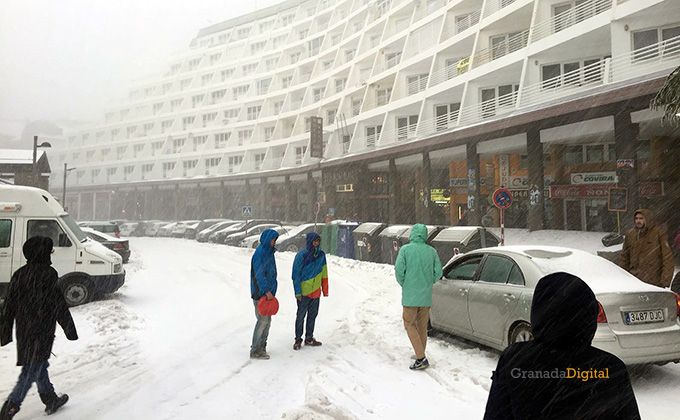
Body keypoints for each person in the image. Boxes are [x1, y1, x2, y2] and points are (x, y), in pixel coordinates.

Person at [483, 272, 640, 419]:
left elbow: (495, 415)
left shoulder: (514, 360)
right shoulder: (610, 368)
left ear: (538, 312)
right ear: (588, 316)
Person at [0, 237, 78, 420]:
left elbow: (8, 306)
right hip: (42, 331)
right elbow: (58, 304)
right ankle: (10, 407)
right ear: (43, 253)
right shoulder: (48, 274)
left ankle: (50, 399)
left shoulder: (19, 274)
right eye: (49, 251)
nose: (51, 255)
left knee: (38, 365)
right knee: (30, 371)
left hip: (25, 332)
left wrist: (5, 332)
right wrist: (69, 329)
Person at [394, 224, 443, 370]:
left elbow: (399, 270)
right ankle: (420, 352)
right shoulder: (431, 251)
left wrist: (405, 284)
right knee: (422, 327)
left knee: (409, 324)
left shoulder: (405, 250)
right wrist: (428, 282)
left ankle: (421, 358)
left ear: (413, 234)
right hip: (425, 296)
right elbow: (438, 272)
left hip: (410, 296)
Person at [291, 232, 328, 350]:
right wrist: (297, 291)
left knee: (312, 316)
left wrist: (325, 289)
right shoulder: (302, 255)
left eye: (318, 241)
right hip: (303, 292)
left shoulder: (321, 255)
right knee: (300, 316)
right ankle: (298, 339)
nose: (316, 243)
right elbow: (295, 274)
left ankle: (309, 338)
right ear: (310, 241)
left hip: (316, 292)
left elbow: (324, 273)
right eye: (314, 241)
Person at [619, 209, 674, 288]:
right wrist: (622, 275)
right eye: (636, 218)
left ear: (647, 219)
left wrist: (665, 280)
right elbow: (624, 257)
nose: (638, 221)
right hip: (634, 279)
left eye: (641, 218)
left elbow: (667, 258)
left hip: (653, 280)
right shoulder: (630, 234)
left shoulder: (658, 233)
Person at [249, 228, 280, 360]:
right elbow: (259, 275)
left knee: (267, 321)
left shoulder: (269, 253)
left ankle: (262, 347)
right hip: (260, 293)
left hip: (269, 293)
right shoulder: (260, 253)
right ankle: (255, 350)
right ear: (268, 239)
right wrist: (266, 291)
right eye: (273, 239)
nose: (274, 242)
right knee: (262, 321)